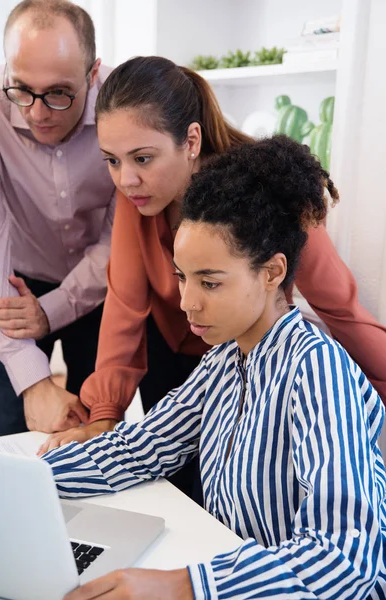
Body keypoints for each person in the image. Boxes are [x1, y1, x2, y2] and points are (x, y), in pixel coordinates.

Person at [44, 136, 386, 600]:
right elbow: (138, 449)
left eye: (210, 282)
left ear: (271, 273)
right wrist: (26, 479)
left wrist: (182, 586)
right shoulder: (223, 361)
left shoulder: (317, 373)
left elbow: (345, 561)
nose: (187, 302)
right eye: (183, 277)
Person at [40, 55, 386, 456]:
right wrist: (103, 416)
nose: (125, 179)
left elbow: (341, 308)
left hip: (244, 362)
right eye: (112, 161)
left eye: (142, 158)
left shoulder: (266, 188)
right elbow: (124, 306)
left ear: (190, 141)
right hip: (171, 361)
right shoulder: (137, 195)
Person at [0, 0, 115, 437]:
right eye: (21, 89)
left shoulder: (128, 101)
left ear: (92, 74)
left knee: (90, 434)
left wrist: (54, 309)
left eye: (59, 93)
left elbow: (120, 240)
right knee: (1, 433)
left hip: (103, 289)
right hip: (12, 285)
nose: (37, 112)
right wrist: (33, 378)